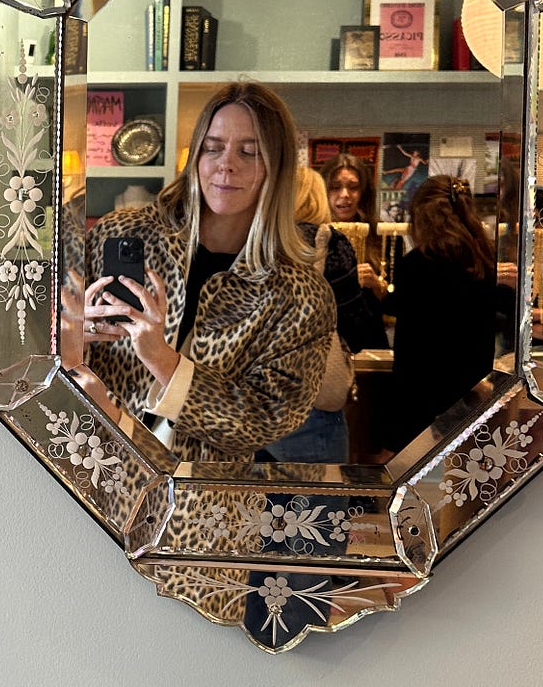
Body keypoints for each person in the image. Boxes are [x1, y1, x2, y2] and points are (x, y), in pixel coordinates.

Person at [62, 82, 335, 463]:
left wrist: (161, 358)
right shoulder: (121, 234)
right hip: (97, 470)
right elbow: (42, 355)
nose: (227, 164)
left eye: (249, 152)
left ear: (278, 167)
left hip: (205, 492)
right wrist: (75, 337)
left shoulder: (299, 295)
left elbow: (266, 420)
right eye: (213, 147)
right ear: (196, 157)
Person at [265, 167, 385, 464]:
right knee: (320, 491)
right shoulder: (329, 243)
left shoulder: (254, 241)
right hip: (310, 403)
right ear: (318, 197)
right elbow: (356, 328)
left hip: (251, 401)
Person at [384, 175, 498, 454]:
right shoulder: (483, 260)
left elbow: (411, 340)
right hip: (471, 396)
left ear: (420, 217)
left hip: (421, 399)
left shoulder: (416, 265)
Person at [322, 154, 388, 303]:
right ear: (323, 192)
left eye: (353, 187)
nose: (345, 194)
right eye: (335, 187)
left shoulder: (383, 236)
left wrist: (377, 285)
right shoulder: (311, 236)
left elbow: (399, 304)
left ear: (364, 193)